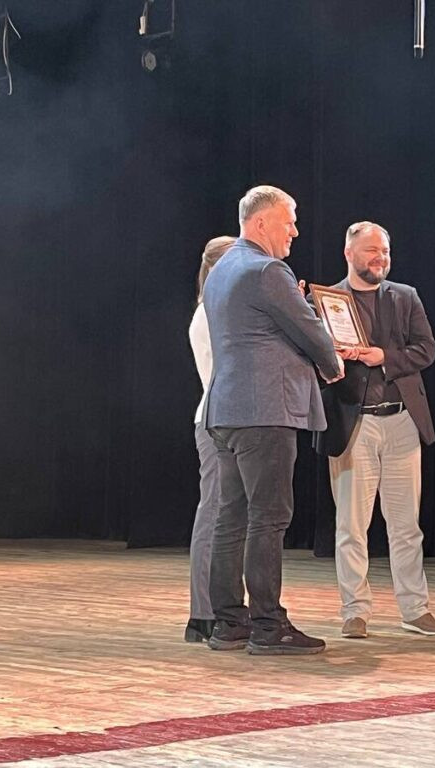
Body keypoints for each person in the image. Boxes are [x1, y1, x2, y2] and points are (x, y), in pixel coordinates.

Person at [203, 185, 343, 655]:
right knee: (269, 517)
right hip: (264, 411)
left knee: (232, 517)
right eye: (289, 221)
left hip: (226, 410)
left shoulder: (221, 270)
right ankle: (268, 625)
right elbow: (309, 330)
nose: (295, 231)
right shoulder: (267, 270)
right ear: (261, 222)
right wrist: (332, 365)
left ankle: (228, 622)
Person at [314, 222, 435, 638]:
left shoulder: (405, 296)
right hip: (354, 423)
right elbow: (311, 357)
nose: (381, 258)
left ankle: (415, 609)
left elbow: (427, 349)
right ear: (348, 253)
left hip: (402, 421)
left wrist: (383, 357)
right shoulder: (327, 301)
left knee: (407, 525)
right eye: (372, 250)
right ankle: (355, 611)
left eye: (385, 251)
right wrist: (331, 356)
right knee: (352, 526)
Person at [185, 235, 236, 643]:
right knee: (214, 513)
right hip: (217, 420)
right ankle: (202, 612)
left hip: (228, 418)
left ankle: (222, 607)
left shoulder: (218, 309)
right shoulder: (210, 312)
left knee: (227, 516)